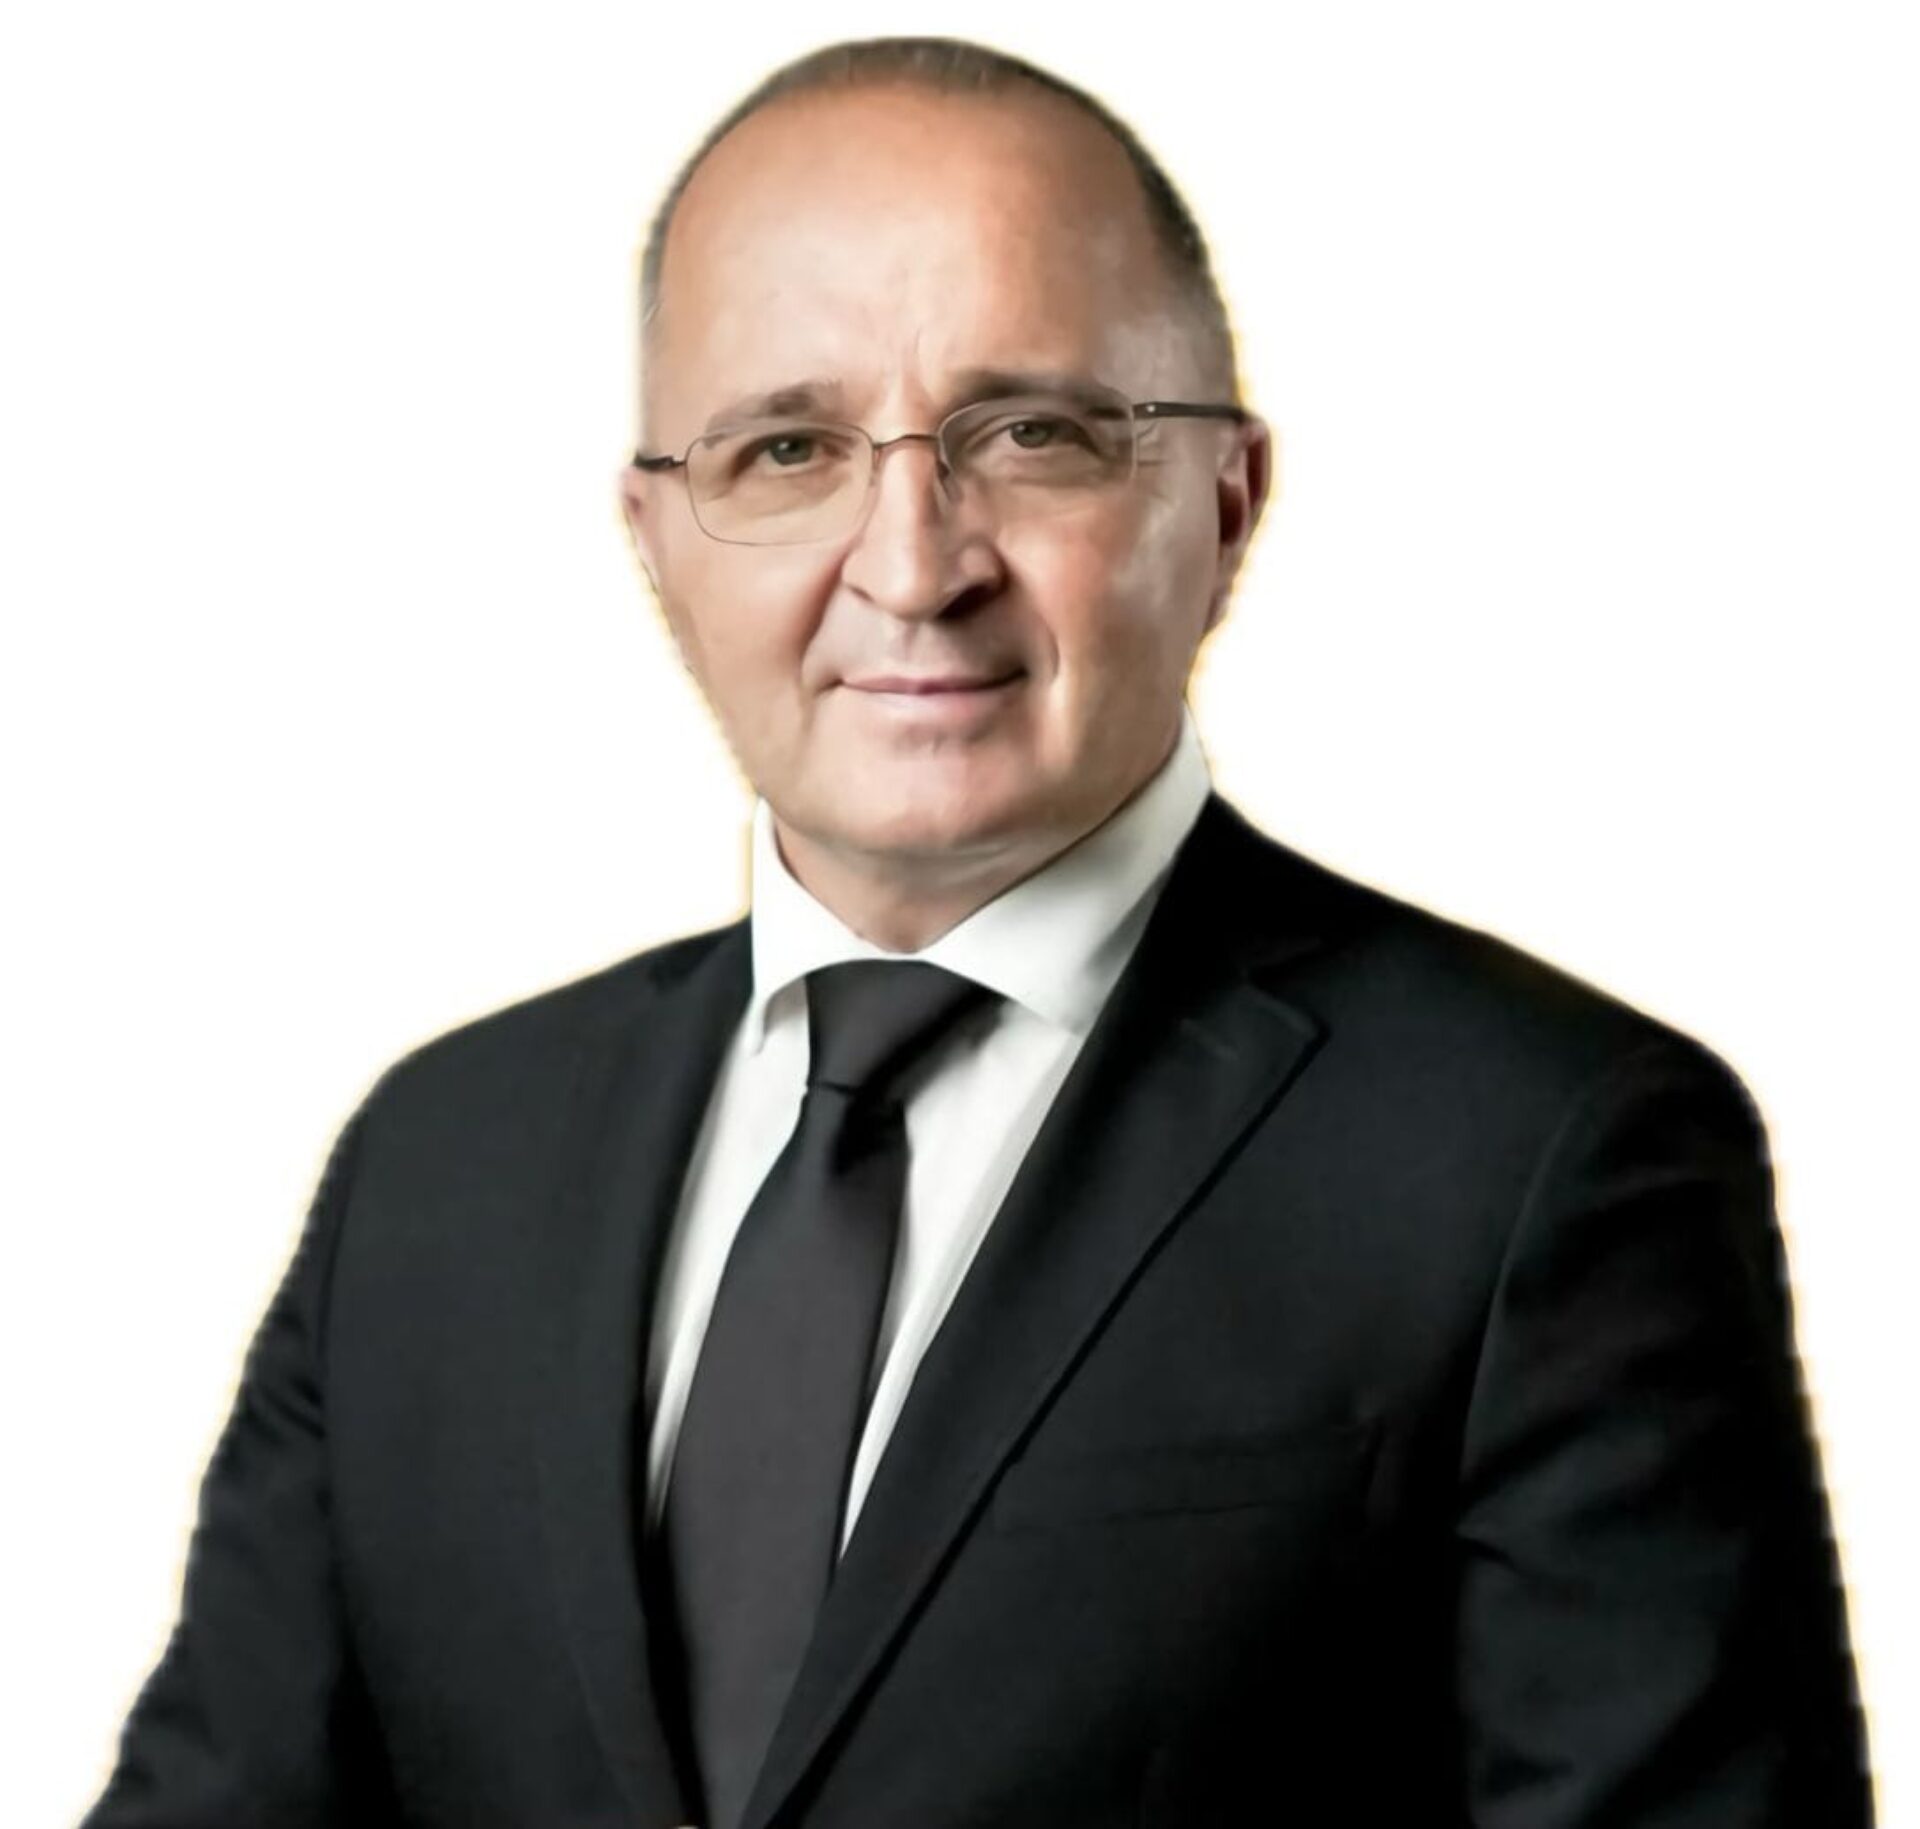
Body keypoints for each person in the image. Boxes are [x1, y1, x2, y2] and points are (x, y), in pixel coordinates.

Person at [83, 34, 1872, 1829]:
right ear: (656, 537)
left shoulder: (1538, 1154)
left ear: (1226, 504)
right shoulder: (437, 1163)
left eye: (1032, 435)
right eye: (787, 449)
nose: (913, 564)